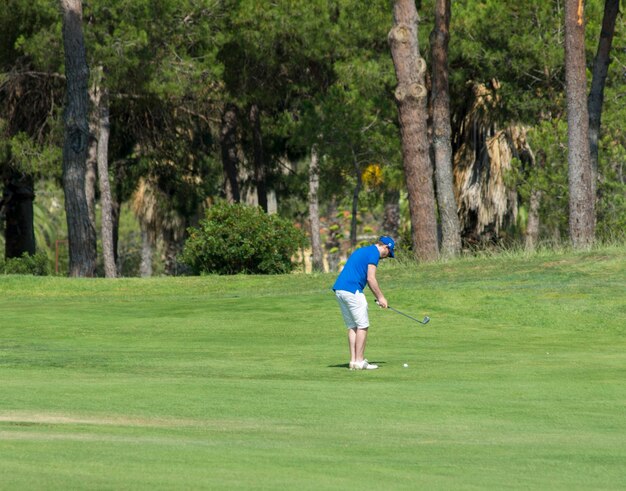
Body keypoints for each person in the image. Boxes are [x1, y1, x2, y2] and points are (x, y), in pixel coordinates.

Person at [332, 236, 395, 370]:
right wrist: (381, 298)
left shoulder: (364, 250)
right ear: (386, 247)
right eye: (389, 253)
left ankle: (354, 361)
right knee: (363, 325)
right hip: (353, 290)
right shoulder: (374, 253)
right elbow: (371, 279)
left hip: (340, 290)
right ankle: (360, 361)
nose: (386, 256)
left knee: (352, 326)